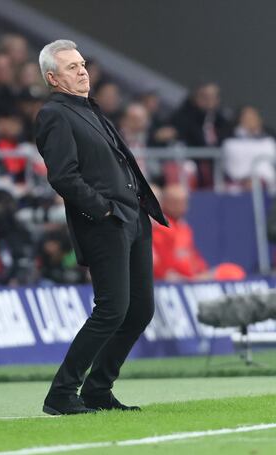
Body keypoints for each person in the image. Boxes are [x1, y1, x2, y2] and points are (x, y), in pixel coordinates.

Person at [34, 39, 168, 415]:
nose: (82, 71)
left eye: (82, 65)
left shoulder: (89, 110)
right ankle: (62, 393)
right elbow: (63, 176)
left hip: (133, 218)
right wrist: (103, 210)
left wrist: (136, 205)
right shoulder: (54, 114)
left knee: (139, 310)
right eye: (71, 67)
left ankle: (97, 389)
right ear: (52, 78)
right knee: (112, 309)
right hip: (106, 221)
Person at [152, 184, 245, 281]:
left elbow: (192, 256)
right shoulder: (161, 228)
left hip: (195, 277)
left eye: (185, 201)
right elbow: (161, 265)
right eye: (177, 202)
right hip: (180, 281)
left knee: (232, 272)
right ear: (166, 203)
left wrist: (202, 273)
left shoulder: (183, 227)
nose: (184, 206)